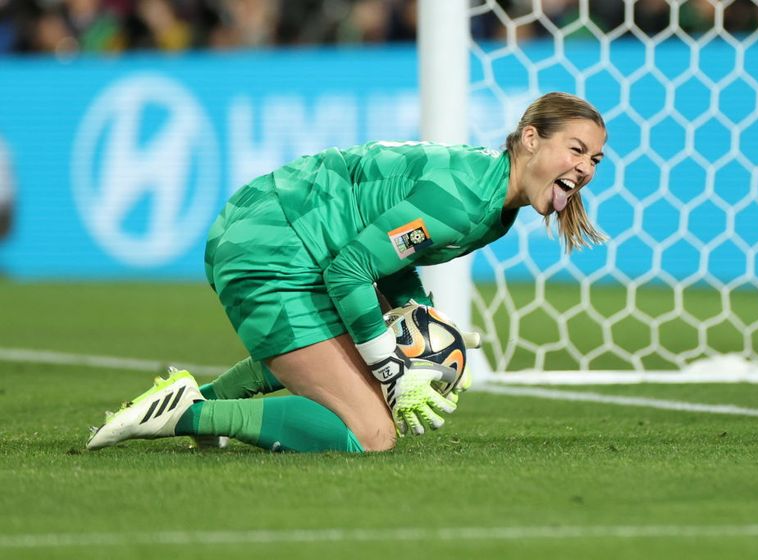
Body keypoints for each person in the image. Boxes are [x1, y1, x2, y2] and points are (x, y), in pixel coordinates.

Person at [86, 91, 608, 454]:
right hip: (272, 244)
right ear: (531, 138)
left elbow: (387, 260)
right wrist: (392, 370)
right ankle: (184, 415)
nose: (585, 168)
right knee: (372, 433)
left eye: (596, 160)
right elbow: (351, 272)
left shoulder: (495, 202)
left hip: (280, 230)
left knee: (373, 345)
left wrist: (419, 315)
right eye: (577, 150)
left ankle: (212, 400)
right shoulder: (467, 200)